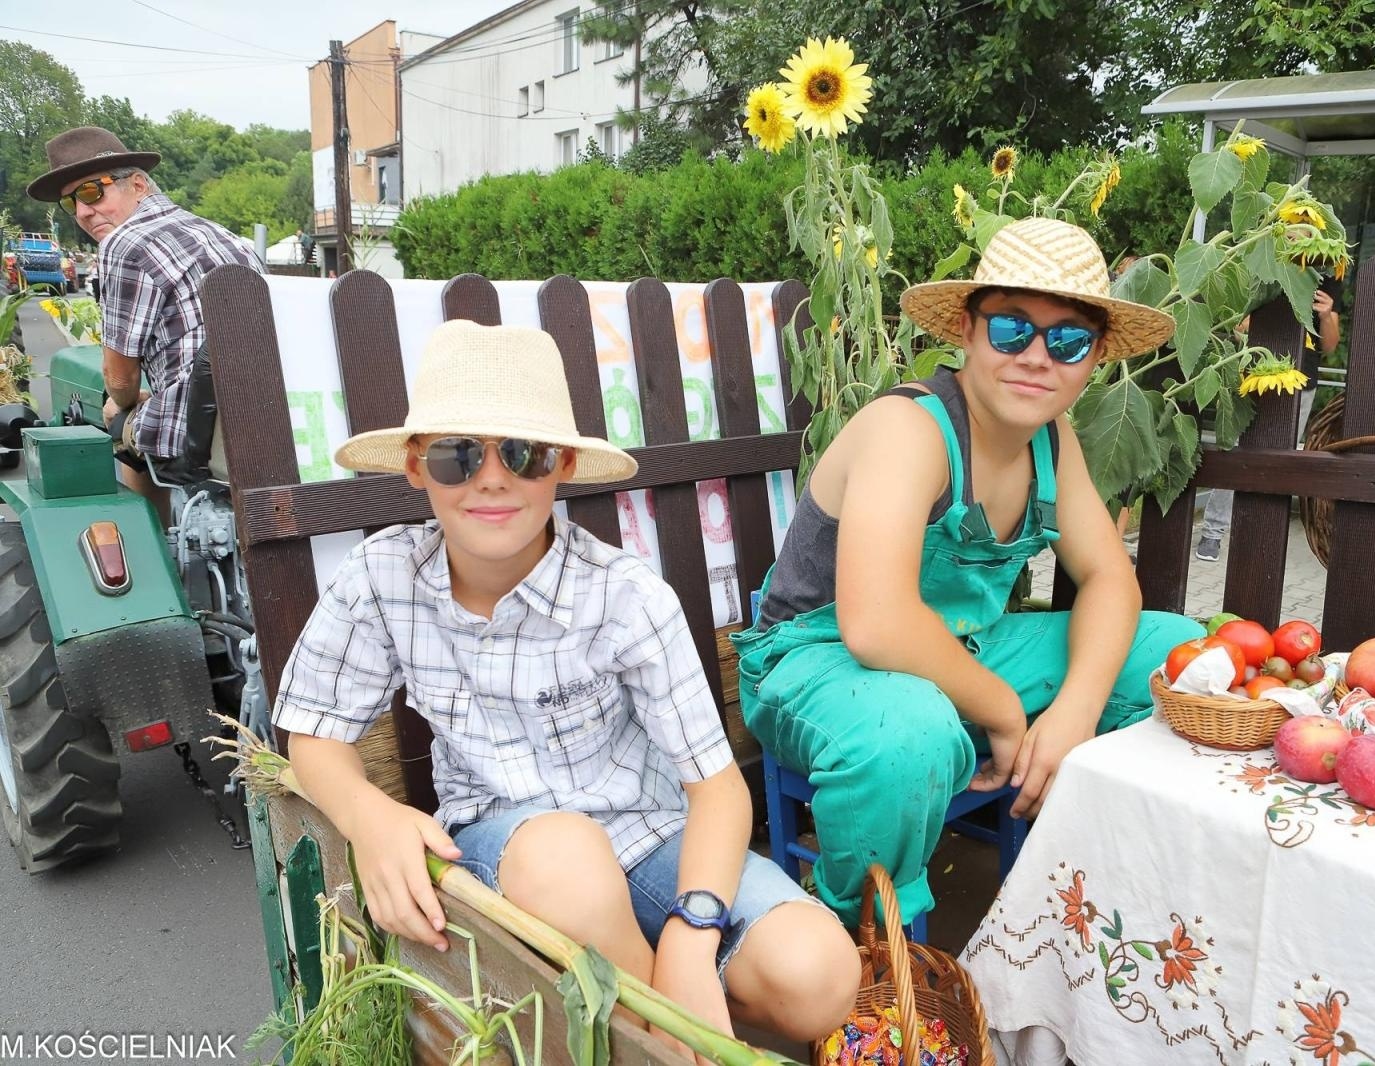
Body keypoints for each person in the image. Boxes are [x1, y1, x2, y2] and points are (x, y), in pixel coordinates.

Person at [273, 321, 857, 1047]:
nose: (491, 477)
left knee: (819, 972)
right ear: (417, 466)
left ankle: (646, 1010)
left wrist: (692, 929)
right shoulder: (382, 578)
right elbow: (314, 733)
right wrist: (370, 815)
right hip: (511, 851)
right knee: (567, 863)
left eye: (523, 453)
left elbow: (715, 787)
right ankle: (670, 1044)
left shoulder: (624, 596)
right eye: (460, 455)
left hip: (649, 840)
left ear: (564, 466)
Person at [733, 218, 1206, 926]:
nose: (1037, 358)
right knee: (906, 734)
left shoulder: (1053, 439)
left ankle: (1078, 869)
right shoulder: (911, 429)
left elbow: (1110, 579)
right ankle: (859, 940)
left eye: (1068, 340)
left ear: (1096, 356)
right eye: (1011, 329)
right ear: (966, 327)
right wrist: (1004, 709)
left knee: (1177, 652)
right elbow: (876, 623)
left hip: (958, 656)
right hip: (816, 663)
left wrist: (1075, 709)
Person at [27, 126, 262, 519]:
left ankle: (159, 548)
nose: (84, 212)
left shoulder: (123, 243)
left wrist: (121, 405)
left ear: (137, 184)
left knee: (122, 425)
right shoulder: (227, 236)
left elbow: (120, 380)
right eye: (73, 204)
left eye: (92, 192)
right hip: (258, 413)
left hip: (199, 436)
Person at [1193, 275, 1342, 562]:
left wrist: (1326, 316)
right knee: (1238, 450)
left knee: (1281, 460)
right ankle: (1213, 531)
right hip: (1258, 375)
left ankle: (1262, 534)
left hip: (1301, 382)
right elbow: (1239, 325)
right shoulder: (1267, 270)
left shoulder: (1326, 281)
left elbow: (1330, 346)